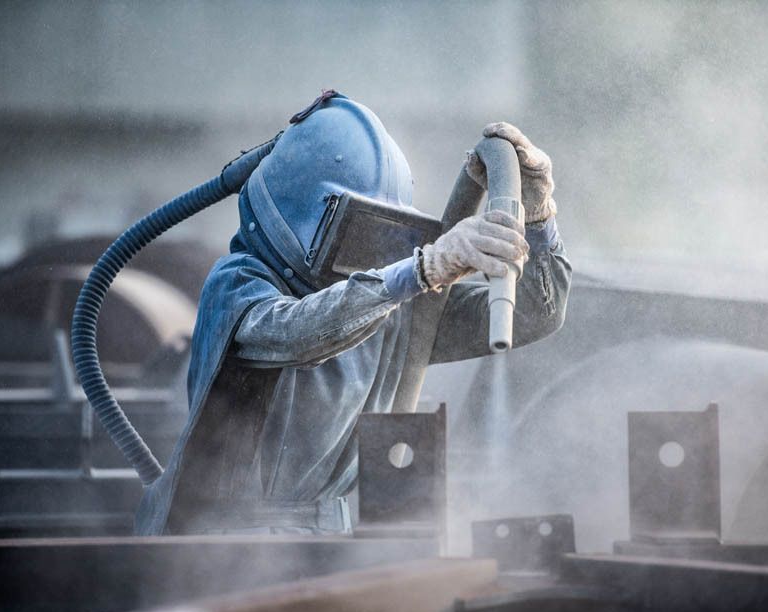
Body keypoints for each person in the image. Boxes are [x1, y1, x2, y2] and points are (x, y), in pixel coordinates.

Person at [134, 93, 571, 535]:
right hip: (220, 547)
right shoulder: (238, 284)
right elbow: (298, 333)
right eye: (353, 231)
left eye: (381, 233)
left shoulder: (394, 302)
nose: (363, 255)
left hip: (335, 541)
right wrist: (422, 269)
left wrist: (538, 219)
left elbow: (534, 313)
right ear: (301, 217)